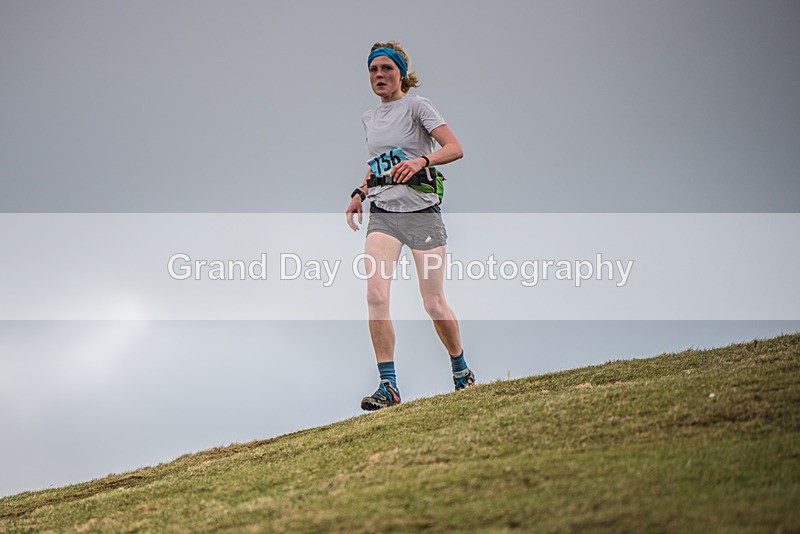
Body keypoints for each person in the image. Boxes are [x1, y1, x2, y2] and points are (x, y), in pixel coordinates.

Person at [345, 41, 475, 411]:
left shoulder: (418, 106)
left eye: (387, 69)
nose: (379, 76)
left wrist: (422, 161)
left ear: (401, 73)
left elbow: (454, 148)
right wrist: (360, 190)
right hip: (384, 214)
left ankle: (461, 370)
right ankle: (389, 386)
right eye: (373, 70)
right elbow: (379, 163)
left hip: (422, 216)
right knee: (375, 295)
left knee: (433, 302)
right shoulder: (370, 117)